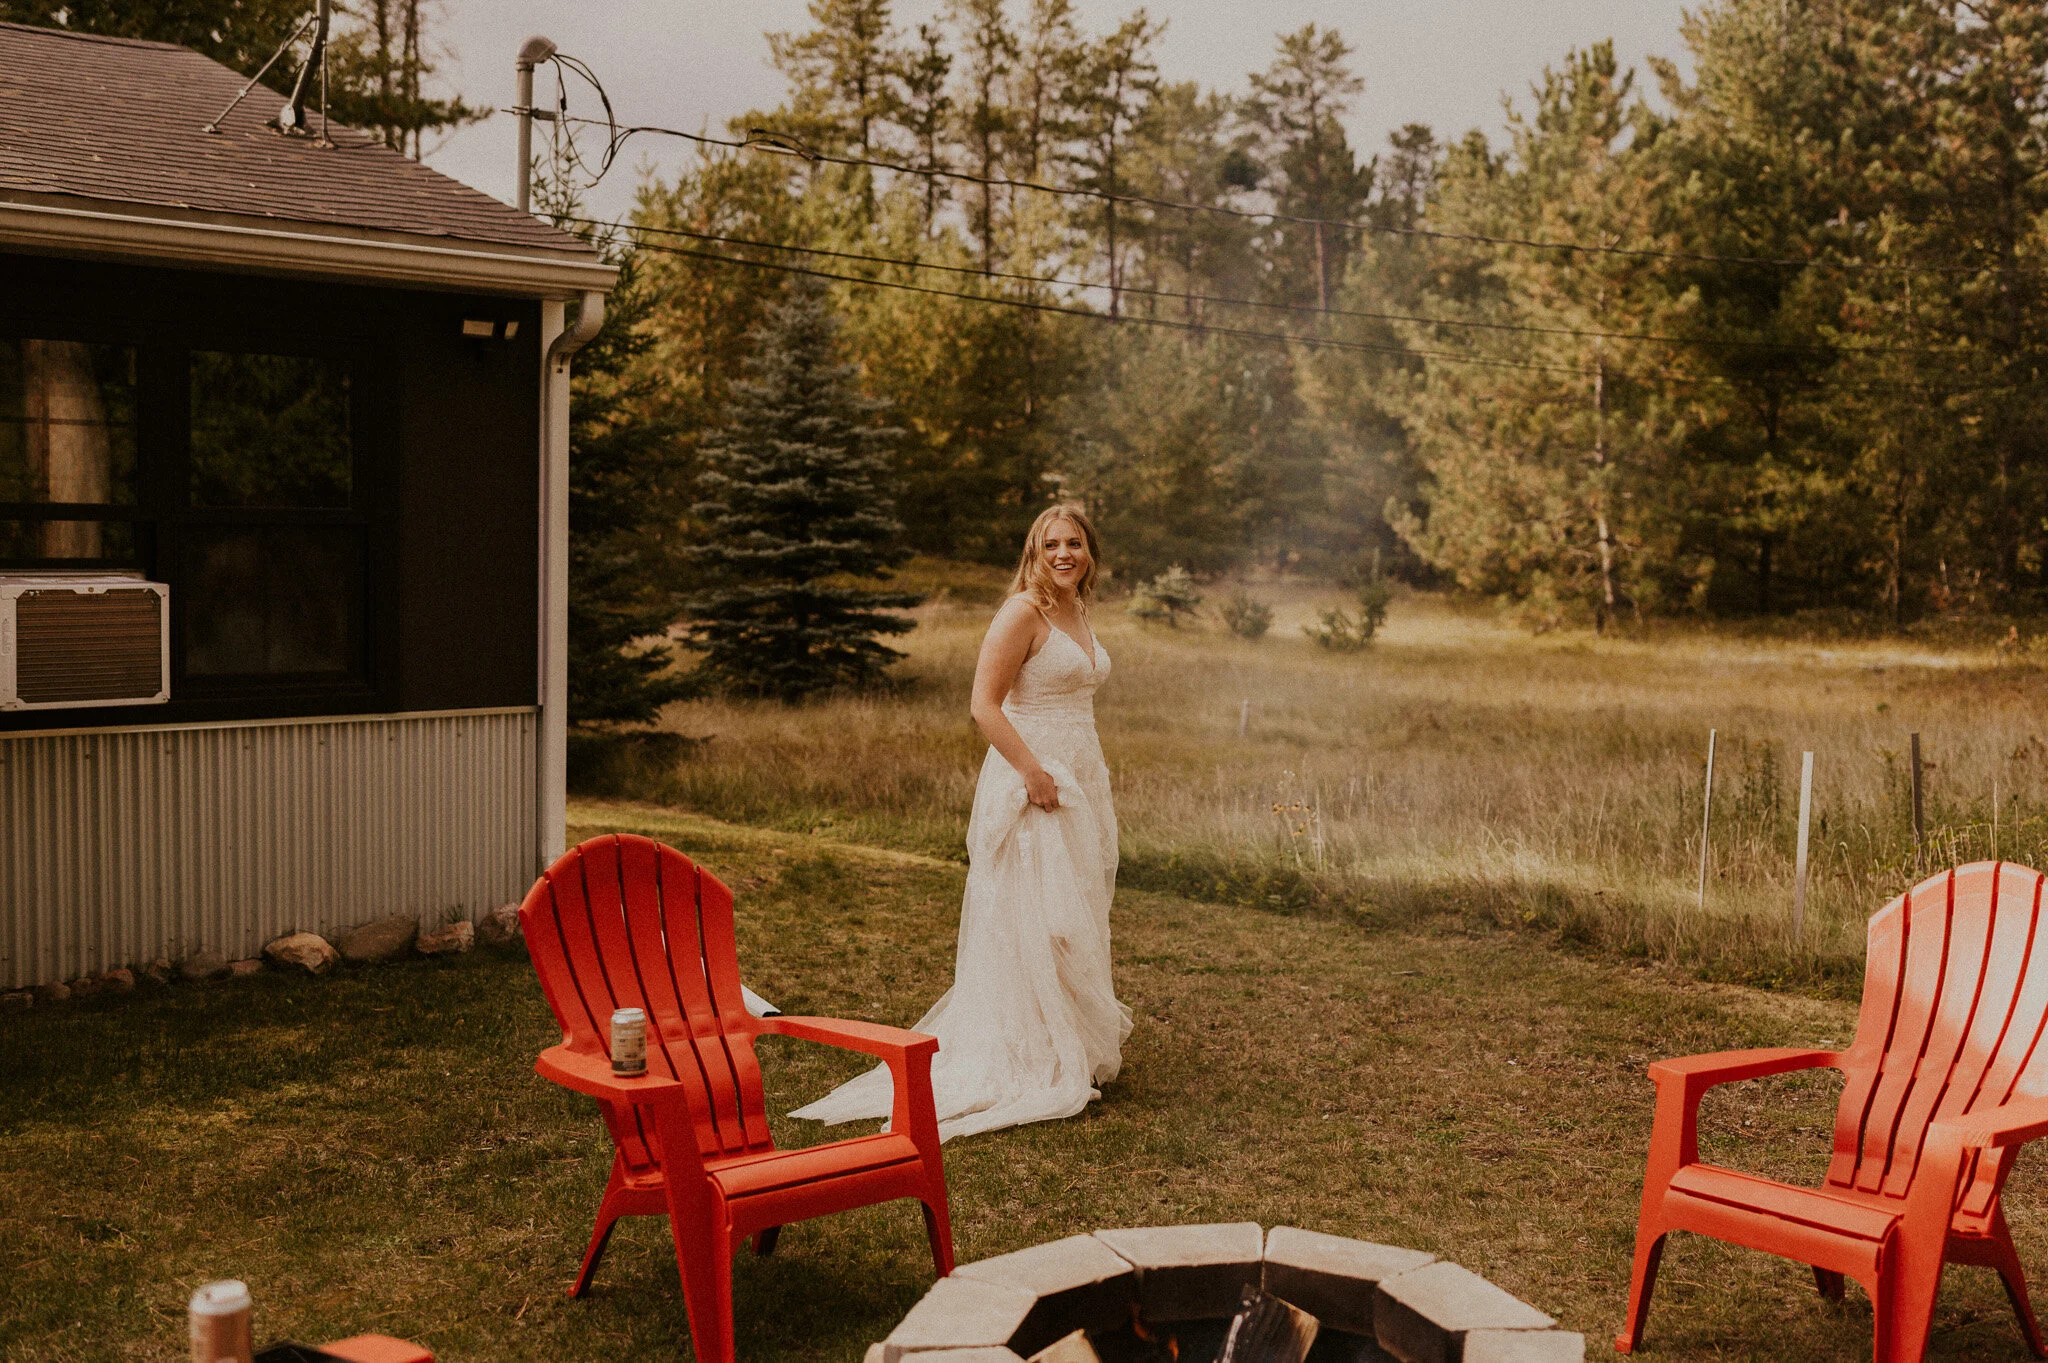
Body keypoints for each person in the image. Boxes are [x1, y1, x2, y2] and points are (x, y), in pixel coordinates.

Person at [792, 503, 1131, 1141]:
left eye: (1076, 544)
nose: (1064, 554)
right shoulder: (1021, 613)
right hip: (1031, 775)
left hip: (1080, 770)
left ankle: (1068, 1046)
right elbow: (984, 704)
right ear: (1034, 550)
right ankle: (1025, 1053)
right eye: (1051, 544)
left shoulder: (1077, 608)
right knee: (1035, 913)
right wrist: (1032, 772)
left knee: (1073, 910)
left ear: (1091, 553)